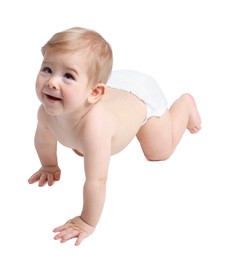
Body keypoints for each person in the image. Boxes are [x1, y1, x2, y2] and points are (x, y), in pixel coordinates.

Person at [28, 27, 201, 246]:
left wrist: (86, 221)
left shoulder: (95, 127)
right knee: (82, 148)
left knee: (159, 152)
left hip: (140, 98)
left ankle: (184, 106)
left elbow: (97, 180)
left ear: (94, 93)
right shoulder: (46, 112)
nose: (52, 82)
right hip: (115, 85)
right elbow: (44, 140)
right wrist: (49, 166)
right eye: (47, 69)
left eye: (68, 76)